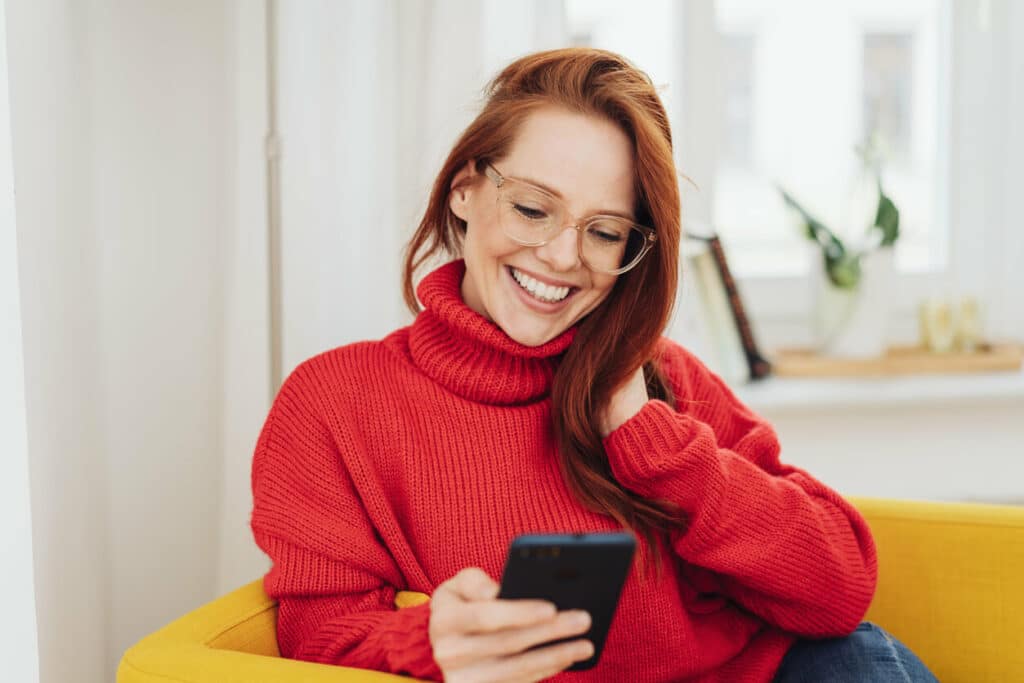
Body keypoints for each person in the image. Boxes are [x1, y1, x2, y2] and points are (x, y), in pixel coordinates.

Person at [250, 48, 937, 683]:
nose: (561, 255)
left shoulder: (659, 377)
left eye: (605, 231)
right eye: (531, 208)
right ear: (464, 190)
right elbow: (319, 631)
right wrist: (427, 641)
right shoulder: (334, 402)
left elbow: (840, 586)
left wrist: (653, 441)